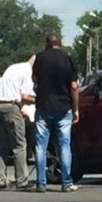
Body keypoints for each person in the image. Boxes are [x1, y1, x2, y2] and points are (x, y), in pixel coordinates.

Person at [32, 33, 79, 193]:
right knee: (64, 145)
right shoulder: (68, 59)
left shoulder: (40, 58)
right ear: (61, 43)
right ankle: (66, 183)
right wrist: (76, 109)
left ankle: (40, 183)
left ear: (47, 44)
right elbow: (74, 87)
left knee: (40, 146)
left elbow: (35, 80)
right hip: (64, 107)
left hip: (44, 106)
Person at [0, 56, 36, 190]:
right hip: (11, 107)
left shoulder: (13, 67)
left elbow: (11, 90)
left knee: (2, 145)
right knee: (19, 145)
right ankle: (21, 180)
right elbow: (25, 96)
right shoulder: (27, 72)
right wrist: (39, 99)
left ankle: (0, 178)